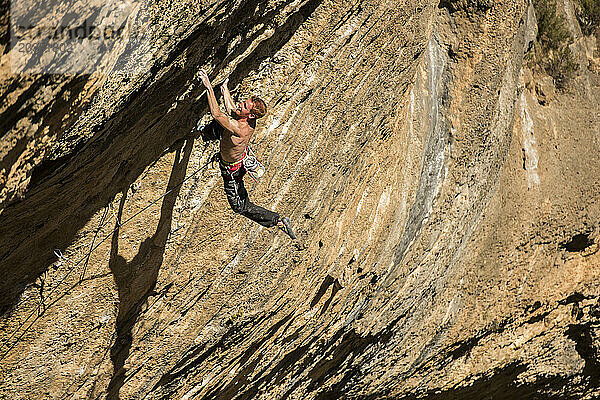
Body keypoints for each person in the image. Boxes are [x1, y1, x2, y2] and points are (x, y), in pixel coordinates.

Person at [198, 69, 296, 239]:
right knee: (220, 127)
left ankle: (277, 220)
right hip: (234, 156)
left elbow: (217, 114)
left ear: (250, 114)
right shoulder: (247, 120)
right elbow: (232, 110)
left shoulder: (241, 129)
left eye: (244, 105)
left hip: (232, 171)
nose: (240, 105)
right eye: (243, 102)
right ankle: (203, 133)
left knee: (240, 206)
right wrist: (224, 88)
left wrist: (208, 86)